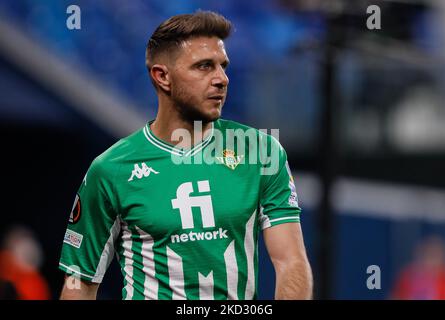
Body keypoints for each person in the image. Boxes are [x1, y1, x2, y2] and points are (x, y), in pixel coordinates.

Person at [59, 11, 313, 300]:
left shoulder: (261, 152)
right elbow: (80, 282)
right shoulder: (111, 169)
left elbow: (291, 262)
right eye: (204, 66)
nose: (222, 79)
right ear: (162, 76)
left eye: (223, 66)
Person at [391, 235, 445, 300]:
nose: (430, 261)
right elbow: (395, 296)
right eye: (427, 255)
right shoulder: (407, 276)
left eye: (434, 256)